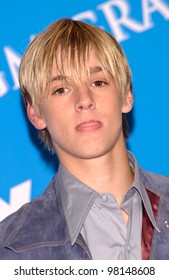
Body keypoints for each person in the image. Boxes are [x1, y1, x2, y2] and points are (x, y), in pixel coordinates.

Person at [0, 18, 169, 260]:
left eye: (98, 82)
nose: (84, 99)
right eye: (61, 89)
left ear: (126, 95)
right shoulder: (8, 249)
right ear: (36, 113)